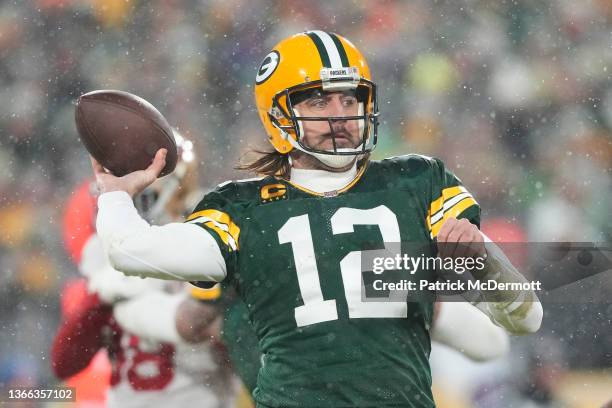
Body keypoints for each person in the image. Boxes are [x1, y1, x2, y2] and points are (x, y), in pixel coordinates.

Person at [92, 31, 542, 407]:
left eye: (350, 100)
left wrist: (484, 267)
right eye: (319, 103)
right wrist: (116, 194)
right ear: (279, 116)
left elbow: (524, 320)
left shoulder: (417, 182)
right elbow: (131, 252)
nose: (340, 117)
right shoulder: (240, 208)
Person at [52, 132, 239, 408]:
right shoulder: (107, 269)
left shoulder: (205, 247)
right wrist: (100, 299)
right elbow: (64, 362)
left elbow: (209, 330)